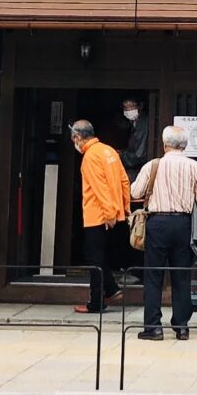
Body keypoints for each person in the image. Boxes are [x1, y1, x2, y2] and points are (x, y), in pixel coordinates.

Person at [129, 123, 197, 340]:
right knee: (182, 274)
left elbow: (135, 191)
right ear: (185, 145)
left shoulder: (153, 165)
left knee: (153, 275)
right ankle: (181, 326)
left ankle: (153, 327)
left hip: (158, 222)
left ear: (164, 144)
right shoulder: (194, 166)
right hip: (183, 223)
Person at [70, 119, 130, 313]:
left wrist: (109, 212)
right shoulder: (109, 151)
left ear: (78, 137)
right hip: (113, 213)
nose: (75, 143)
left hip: (98, 214)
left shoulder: (90, 156)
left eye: (74, 139)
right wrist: (124, 208)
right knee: (98, 255)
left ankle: (97, 301)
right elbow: (124, 181)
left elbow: (99, 187)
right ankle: (111, 289)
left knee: (94, 258)